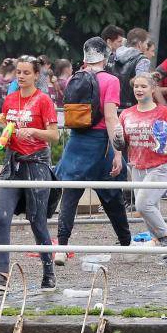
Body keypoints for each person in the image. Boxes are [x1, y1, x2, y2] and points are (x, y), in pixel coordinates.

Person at [0, 57, 59, 292]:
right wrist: (5, 125)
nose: (21, 76)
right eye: (18, 72)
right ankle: (2, 275)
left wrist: (34, 132)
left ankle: (48, 272)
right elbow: (9, 127)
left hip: (36, 163)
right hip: (12, 163)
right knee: (2, 217)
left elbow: (54, 135)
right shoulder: (10, 99)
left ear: (36, 75)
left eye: (26, 72)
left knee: (37, 222)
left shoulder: (43, 100)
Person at [55, 37, 133, 261]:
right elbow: (110, 118)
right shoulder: (111, 80)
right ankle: (126, 244)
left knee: (70, 195)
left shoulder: (74, 78)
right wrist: (118, 153)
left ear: (85, 57)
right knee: (111, 195)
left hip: (77, 140)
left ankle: (61, 247)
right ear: (106, 58)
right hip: (100, 142)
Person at [119, 73, 167, 265]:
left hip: (160, 166)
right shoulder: (126, 114)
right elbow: (122, 142)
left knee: (142, 205)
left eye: (143, 86)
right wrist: (117, 140)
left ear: (153, 89)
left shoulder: (165, 112)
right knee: (150, 208)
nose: (139, 90)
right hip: (137, 166)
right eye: (136, 87)